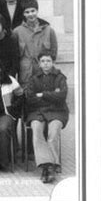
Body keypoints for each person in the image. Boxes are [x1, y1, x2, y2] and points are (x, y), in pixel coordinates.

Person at [24, 52, 69, 184]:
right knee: (37, 131)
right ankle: (47, 166)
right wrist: (51, 96)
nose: (45, 64)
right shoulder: (33, 78)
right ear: (39, 63)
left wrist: (42, 95)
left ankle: (52, 167)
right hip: (37, 112)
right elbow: (30, 99)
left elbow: (62, 97)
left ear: (53, 62)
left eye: (48, 61)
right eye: (43, 61)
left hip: (57, 112)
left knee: (53, 133)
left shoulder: (60, 78)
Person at [12, 0, 58, 87]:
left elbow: (54, 53)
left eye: (33, 11)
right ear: (23, 14)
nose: (30, 14)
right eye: (27, 12)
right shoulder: (17, 32)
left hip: (45, 74)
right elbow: (14, 57)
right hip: (25, 75)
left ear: (37, 11)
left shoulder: (48, 30)